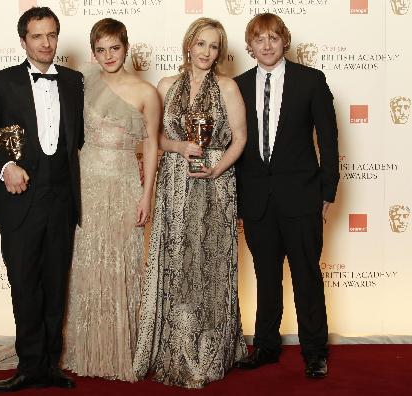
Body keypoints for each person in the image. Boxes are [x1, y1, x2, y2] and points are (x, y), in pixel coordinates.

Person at [133, 17, 248, 388]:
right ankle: (175, 348)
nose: (206, 52)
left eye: (214, 46)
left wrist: (216, 170)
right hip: (175, 187)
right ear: (188, 45)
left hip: (216, 186)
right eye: (201, 44)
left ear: (220, 52)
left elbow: (240, 139)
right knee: (179, 266)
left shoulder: (229, 87)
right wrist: (181, 146)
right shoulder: (165, 86)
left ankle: (210, 351)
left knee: (209, 265)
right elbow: (153, 138)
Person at [0, 6, 83, 392]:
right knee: (25, 284)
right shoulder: (0, 83)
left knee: (56, 284)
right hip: (20, 200)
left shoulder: (74, 81)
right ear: (23, 41)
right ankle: (29, 365)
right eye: (37, 36)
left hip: (62, 199)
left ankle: (50, 366)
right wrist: (7, 166)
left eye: (52, 35)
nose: (46, 43)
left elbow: (80, 139)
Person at [232, 13, 339, 379]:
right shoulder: (238, 86)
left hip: (302, 196)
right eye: (259, 39)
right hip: (257, 198)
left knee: (306, 275)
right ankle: (265, 344)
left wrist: (328, 190)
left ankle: (314, 350)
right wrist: (235, 200)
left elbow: (328, 138)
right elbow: (232, 145)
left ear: (285, 41)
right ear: (249, 46)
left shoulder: (311, 81)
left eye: (273, 38)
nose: (266, 45)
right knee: (265, 275)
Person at [61, 18, 160, 382]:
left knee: (122, 265)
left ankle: (119, 349)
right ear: (93, 52)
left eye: (114, 48)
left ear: (126, 47)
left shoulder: (146, 92)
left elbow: (151, 144)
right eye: (100, 50)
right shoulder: (82, 82)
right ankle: (81, 347)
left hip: (122, 184)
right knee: (85, 265)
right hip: (85, 182)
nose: (108, 56)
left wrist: (147, 193)